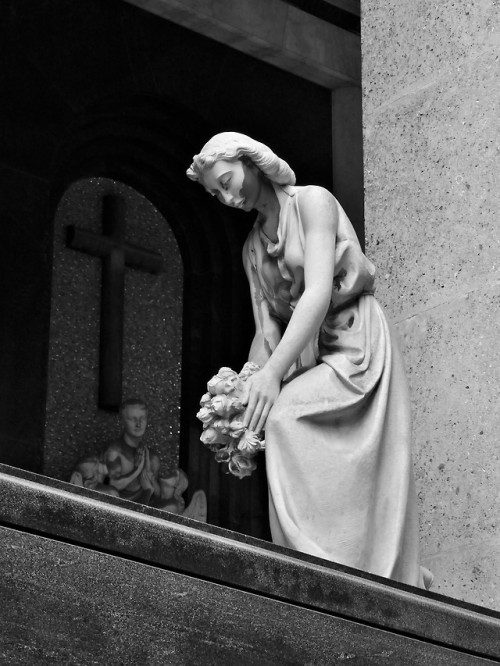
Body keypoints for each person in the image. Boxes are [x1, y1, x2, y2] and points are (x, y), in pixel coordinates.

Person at [187, 132, 432, 588]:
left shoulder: (312, 203)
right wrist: (243, 396)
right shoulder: (252, 250)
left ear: (251, 162)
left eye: (227, 180)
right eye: (215, 192)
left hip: (357, 346)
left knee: (284, 419)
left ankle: (318, 563)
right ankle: (324, 561)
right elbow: (266, 335)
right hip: (312, 357)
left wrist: (274, 376)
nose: (226, 196)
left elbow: (318, 291)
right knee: (273, 420)